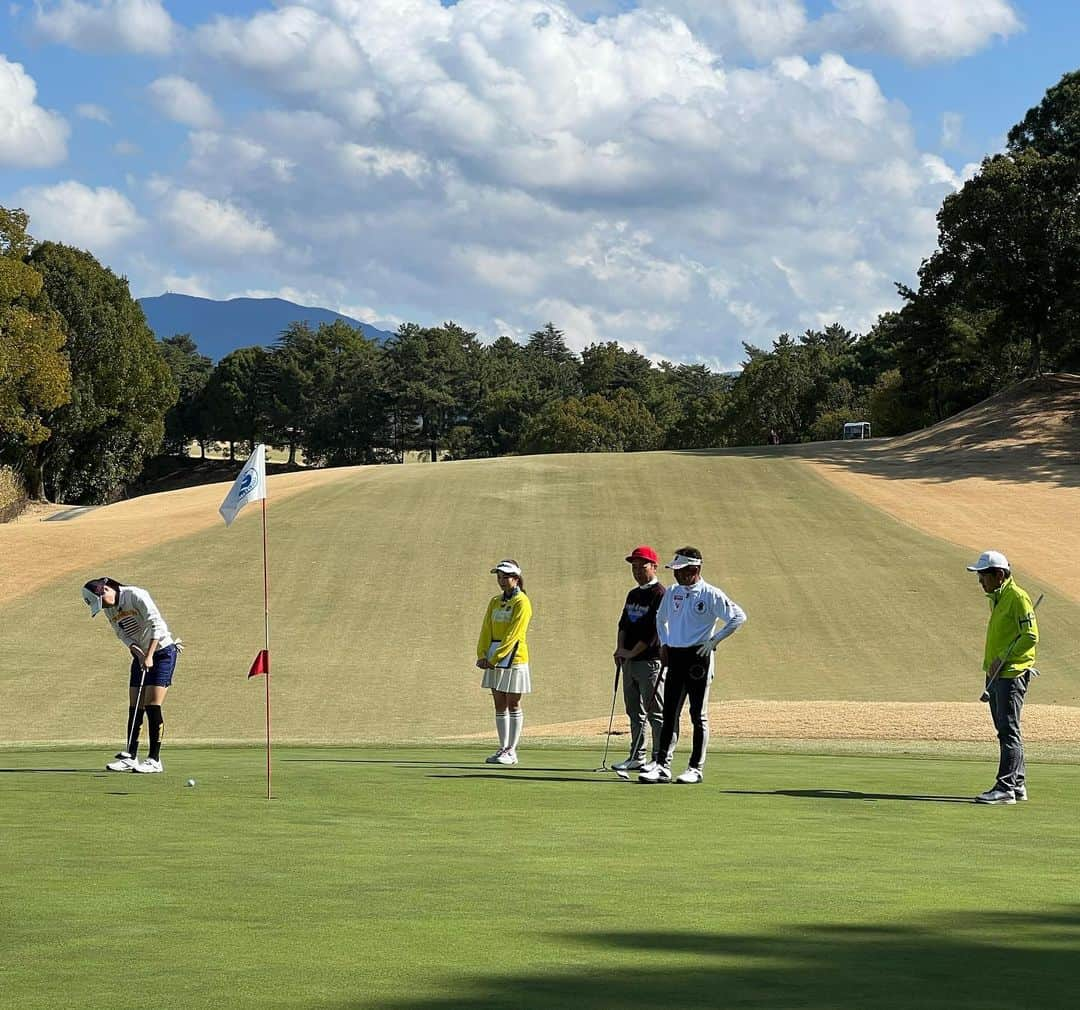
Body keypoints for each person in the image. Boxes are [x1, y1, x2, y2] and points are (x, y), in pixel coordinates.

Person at [639, 547, 746, 784]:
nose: (675, 575)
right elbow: (660, 618)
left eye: (680, 570)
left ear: (694, 570)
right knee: (670, 713)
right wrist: (665, 645)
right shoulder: (673, 592)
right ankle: (662, 766)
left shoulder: (710, 593)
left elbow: (738, 617)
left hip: (698, 657)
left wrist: (714, 641)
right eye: (675, 570)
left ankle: (695, 768)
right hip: (675, 655)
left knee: (698, 715)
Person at [81, 577, 182, 774]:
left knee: (153, 704)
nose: (104, 607)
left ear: (107, 589)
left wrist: (150, 654)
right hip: (142, 655)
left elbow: (157, 626)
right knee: (135, 705)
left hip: (162, 652)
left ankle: (154, 759)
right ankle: (131, 757)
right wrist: (138, 652)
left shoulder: (136, 595)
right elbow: (122, 634)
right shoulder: (109, 609)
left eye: (102, 601)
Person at [967, 550, 1039, 805]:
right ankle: (1017, 784)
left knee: (1009, 730)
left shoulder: (1018, 597)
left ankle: (1005, 787)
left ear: (999, 575)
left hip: (1011, 673)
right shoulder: (997, 597)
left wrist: (1004, 658)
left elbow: (1030, 636)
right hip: (996, 673)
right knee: (1005, 730)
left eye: (983, 576)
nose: (980, 582)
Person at [612, 545, 674, 772]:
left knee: (654, 712)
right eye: (634, 567)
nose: (638, 571)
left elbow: (652, 632)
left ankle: (658, 758)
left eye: (642, 566)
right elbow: (623, 625)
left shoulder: (660, 593)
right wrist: (620, 650)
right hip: (629, 662)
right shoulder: (633, 594)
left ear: (654, 567)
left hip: (649, 662)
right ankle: (637, 756)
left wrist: (630, 652)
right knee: (634, 712)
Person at [476, 560, 533, 766]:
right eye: (499, 577)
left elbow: (514, 634)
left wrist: (496, 657)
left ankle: (512, 750)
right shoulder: (494, 601)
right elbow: (486, 628)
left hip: (514, 658)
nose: (501, 581)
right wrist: (482, 654)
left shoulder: (522, 602)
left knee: (513, 702)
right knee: (499, 703)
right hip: (493, 658)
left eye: (505, 577)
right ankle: (503, 747)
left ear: (516, 579)